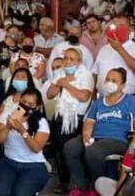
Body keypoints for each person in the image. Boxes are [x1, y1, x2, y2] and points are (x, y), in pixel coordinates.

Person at [63, 68, 135, 194]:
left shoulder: (131, 101)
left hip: (117, 140)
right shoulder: (98, 102)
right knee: (70, 147)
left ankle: (98, 187)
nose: (109, 83)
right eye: (107, 79)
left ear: (122, 85)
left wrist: (134, 143)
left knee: (94, 152)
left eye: (114, 80)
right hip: (95, 137)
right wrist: (86, 136)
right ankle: (81, 185)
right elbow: (89, 121)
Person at [43, 48, 94, 193]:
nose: (67, 62)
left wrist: (66, 84)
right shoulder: (60, 73)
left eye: (72, 59)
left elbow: (84, 97)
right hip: (60, 116)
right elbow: (50, 94)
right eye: (65, 58)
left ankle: (77, 183)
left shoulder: (86, 75)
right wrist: (59, 83)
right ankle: (64, 182)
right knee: (60, 151)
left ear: (79, 61)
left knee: (73, 152)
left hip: (77, 118)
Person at [0, 88, 50, 196]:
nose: (26, 105)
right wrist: (8, 127)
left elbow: (36, 148)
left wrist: (22, 131)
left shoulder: (41, 122)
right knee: (0, 192)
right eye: (23, 102)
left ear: (37, 107)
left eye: (30, 104)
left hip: (34, 165)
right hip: (9, 162)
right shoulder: (7, 116)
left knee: (20, 193)